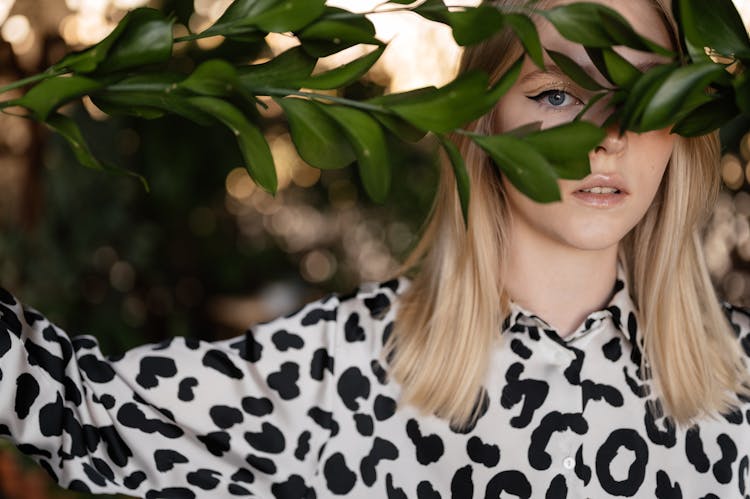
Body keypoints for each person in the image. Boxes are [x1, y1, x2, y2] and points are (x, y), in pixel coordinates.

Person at [1, 0, 749, 497]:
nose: (608, 134)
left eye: (643, 97)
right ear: (479, 120)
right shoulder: (341, 365)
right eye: (557, 93)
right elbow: (77, 406)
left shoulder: (743, 385)